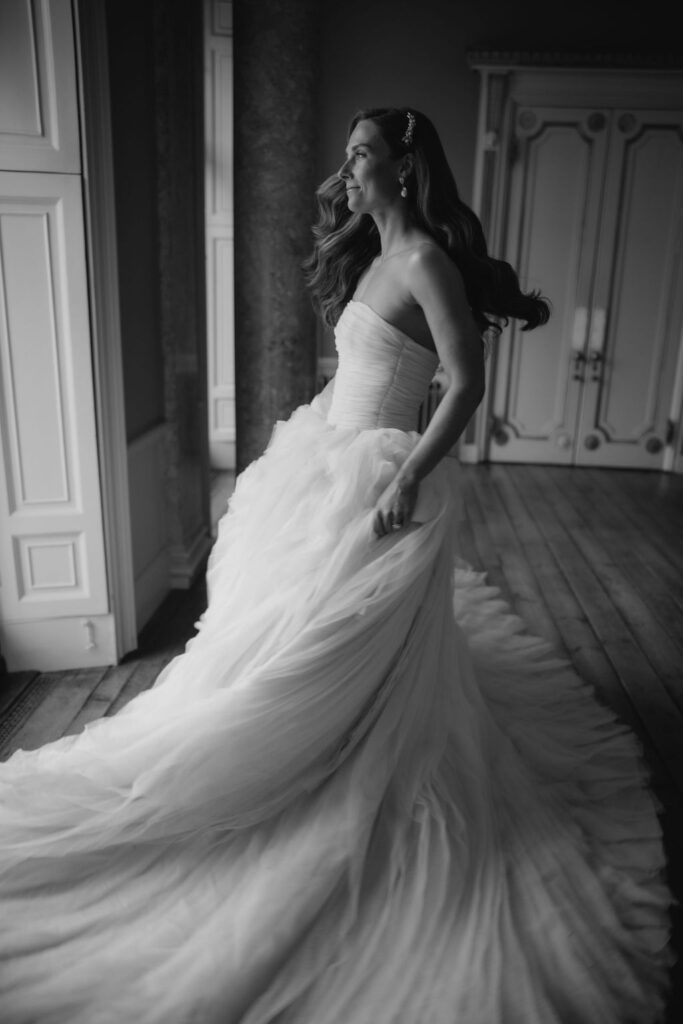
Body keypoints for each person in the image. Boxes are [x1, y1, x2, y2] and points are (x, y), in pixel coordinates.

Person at [0, 107, 672, 1024]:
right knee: (275, 625)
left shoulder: (428, 259)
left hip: (379, 470)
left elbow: (465, 384)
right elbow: (365, 365)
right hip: (327, 451)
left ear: (404, 164)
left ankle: (331, 756)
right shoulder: (377, 256)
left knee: (334, 638)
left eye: (362, 154)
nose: (347, 169)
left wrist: (408, 478)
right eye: (349, 154)